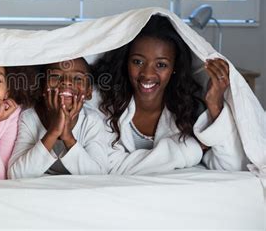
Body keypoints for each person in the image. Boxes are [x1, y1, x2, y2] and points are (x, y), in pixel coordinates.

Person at [92, 15, 248, 174]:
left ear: (174, 67)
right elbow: (111, 167)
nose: (147, 74)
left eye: (161, 65)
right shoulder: (105, 103)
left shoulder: (190, 109)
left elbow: (231, 167)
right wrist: (188, 150)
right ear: (126, 62)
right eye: (138, 61)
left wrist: (215, 106)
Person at [8, 58, 107, 179]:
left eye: (78, 78)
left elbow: (99, 176)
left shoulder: (91, 120)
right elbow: (16, 175)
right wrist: (53, 132)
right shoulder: (29, 117)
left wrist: (68, 137)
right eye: (55, 76)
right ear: (43, 87)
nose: (66, 82)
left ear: (89, 92)